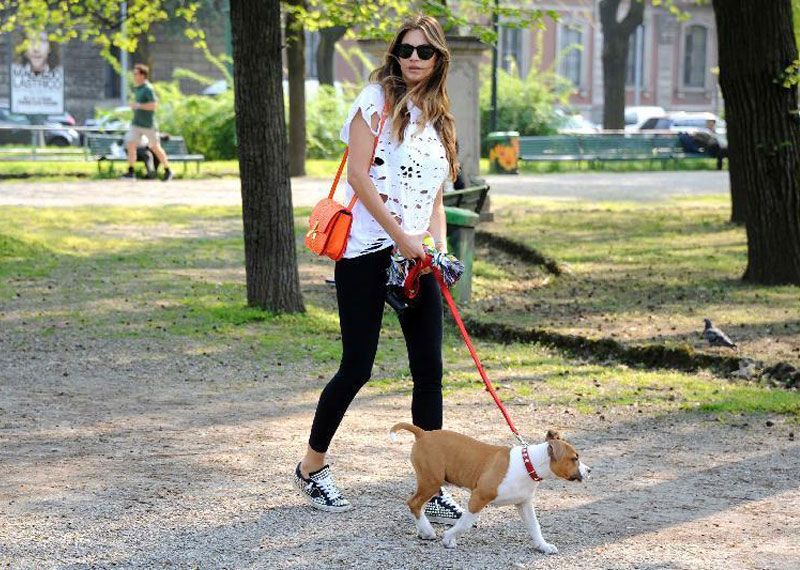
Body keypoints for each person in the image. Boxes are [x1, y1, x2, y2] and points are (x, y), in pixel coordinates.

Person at [293, 15, 463, 524]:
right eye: (406, 49)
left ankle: (433, 486)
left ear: (438, 59)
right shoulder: (375, 101)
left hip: (417, 259)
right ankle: (310, 467)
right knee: (357, 366)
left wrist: (436, 250)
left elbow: (435, 197)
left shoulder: (439, 117)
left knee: (429, 371)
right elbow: (360, 179)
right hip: (367, 250)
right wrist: (401, 239)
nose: (414, 58)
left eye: (424, 51)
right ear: (395, 54)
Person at [119, 64, 173, 181]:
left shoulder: (148, 89)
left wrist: (139, 106)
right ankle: (131, 172)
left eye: (136, 74)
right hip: (136, 124)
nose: (134, 76)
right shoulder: (138, 89)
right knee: (131, 144)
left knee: (155, 147)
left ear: (143, 75)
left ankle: (168, 170)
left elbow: (154, 105)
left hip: (148, 125)